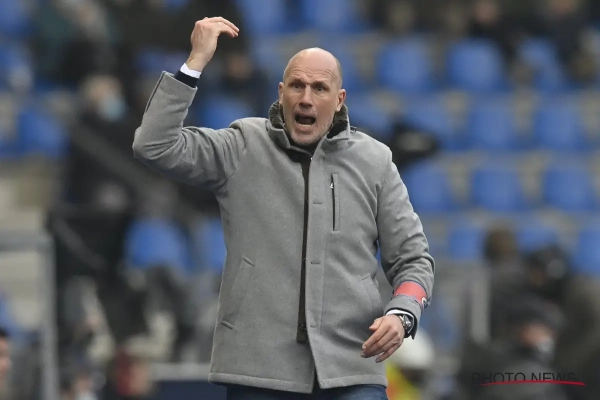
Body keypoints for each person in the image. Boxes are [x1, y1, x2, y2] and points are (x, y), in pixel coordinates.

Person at [132, 17, 435, 400]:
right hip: (258, 370)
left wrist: (403, 313)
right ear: (281, 93)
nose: (306, 98)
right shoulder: (242, 145)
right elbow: (154, 145)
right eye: (297, 85)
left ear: (339, 99)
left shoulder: (374, 161)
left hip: (351, 367)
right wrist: (195, 63)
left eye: (319, 88)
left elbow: (413, 258)